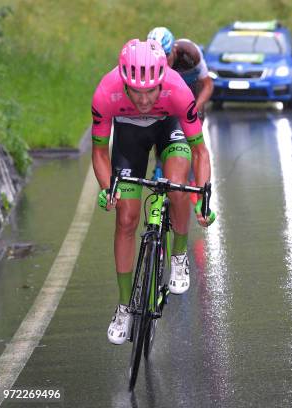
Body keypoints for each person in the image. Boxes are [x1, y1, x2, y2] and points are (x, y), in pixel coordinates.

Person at [91, 39, 213, 344]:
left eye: (150, 91)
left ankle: (179, 255)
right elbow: (99, 152)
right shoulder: (106, 92)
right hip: (129, 136)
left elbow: (199, 151)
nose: (144, 100)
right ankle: (123, 308)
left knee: (176, 184)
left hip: (167, 127)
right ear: (124, 83)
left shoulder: (177, 90)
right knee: (126, 218)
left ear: (162, 80)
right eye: (136, 92)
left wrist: (203, 196)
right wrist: (108, 188)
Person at [148, 27, 214, 117]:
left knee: (195, 119)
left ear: (173, 49)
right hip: (168, 89)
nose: (163, 60)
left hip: (192, 85)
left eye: (166, 55)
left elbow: (208, 85)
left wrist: (195, 109)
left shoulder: (190, 53)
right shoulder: (146, 60)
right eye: (157, 57)